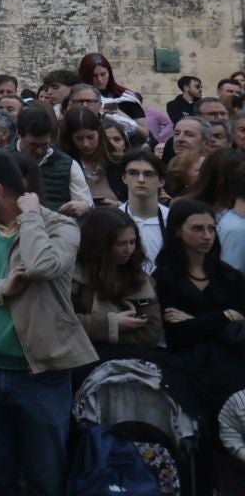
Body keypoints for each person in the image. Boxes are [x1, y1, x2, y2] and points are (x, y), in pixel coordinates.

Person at [0, 149, 96, 496]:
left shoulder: (62, 226)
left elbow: (41, 266)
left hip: (40, 375)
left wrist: (30, 217)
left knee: (45, 475)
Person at [153, 198, 245, 418]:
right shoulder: (165, 278)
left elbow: (241, 326)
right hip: (188, 372)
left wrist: (195, 320)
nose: (207, 236)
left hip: (233, 370)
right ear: (177, 231)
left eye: (211, 229)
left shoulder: (229, 276)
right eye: (197, 228)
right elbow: (178, 334)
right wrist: (225, 316)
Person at [70, 206, 162, 358]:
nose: (129, 249)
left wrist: (100, 336)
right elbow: (62, 324)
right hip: (82, 360)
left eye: (132, 242)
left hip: (131, 358)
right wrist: (111, 325)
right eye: (121, 244)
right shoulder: (73, 277)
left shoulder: (139, 279)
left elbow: (150, 332)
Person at [16, 104, 92, 216]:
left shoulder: (68, 164)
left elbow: (86, 203)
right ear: (19, 134)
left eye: (45, 145)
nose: (39, 151)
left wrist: (83, 206)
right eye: (32, 145)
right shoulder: (0, 160)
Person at [121, 151, 168, 271]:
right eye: (133, 173)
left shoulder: (173, 219)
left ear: (161, 181)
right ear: (124, 178)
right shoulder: (111, 220)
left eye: (149, 174)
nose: (141, 179)